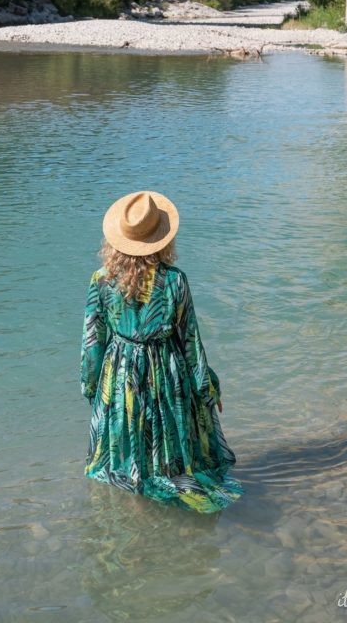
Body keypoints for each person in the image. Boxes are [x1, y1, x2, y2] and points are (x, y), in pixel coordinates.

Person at [80, 189, 244, 513]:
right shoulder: (176, 282)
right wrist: (207, 388)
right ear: (162, 239)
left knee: (130, 449)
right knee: (166, 447)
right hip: (166, 375)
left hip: (121, 377)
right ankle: (164, 508)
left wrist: (91, 386)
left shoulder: (101, 280)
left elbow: (92, 342)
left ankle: (136, 510)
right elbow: (190, 343)